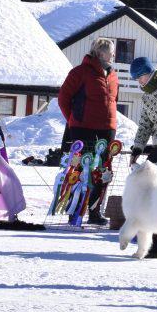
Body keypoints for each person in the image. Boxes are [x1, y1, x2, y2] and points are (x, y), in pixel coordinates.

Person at [57, 38, 120, 224]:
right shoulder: (80, 72)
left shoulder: (114, 75)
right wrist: (73, 119)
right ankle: (75, 211)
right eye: (111, 52)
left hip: (107, 130)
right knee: (81, 169)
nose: (114, 55)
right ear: (100, 53)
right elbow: (63, 98)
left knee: (103, 171)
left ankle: (94, 212)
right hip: (83, 129)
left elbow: (114, 101)